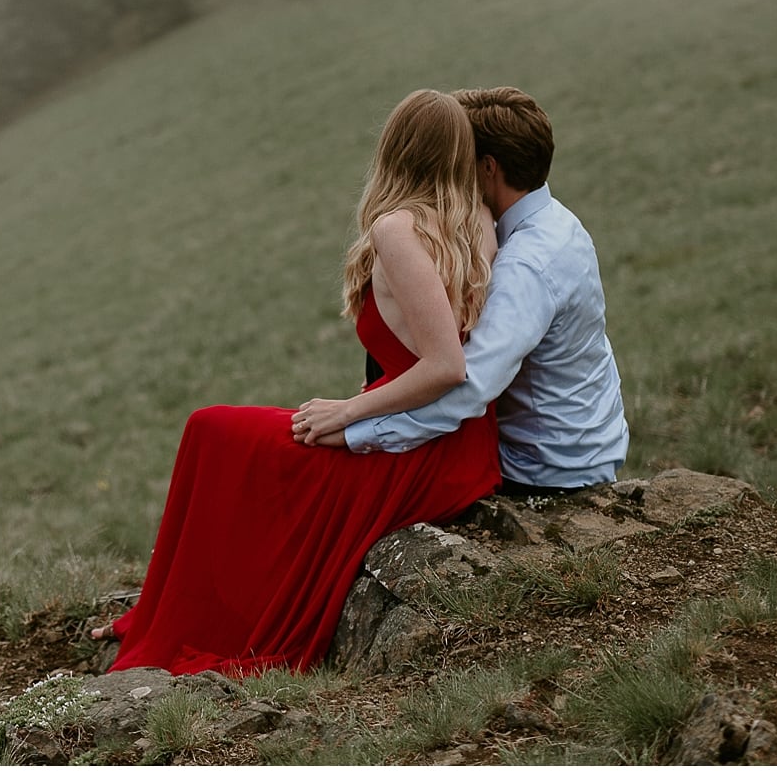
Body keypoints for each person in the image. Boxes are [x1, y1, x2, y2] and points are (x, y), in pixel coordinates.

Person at [87, 89, 504, 676]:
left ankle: (170, 622)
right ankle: (161, 613)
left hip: (421, 450)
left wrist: (346, 413)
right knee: (245, 447)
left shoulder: (398, 228)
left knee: (210, 431)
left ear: (393, 149)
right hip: (458, 444)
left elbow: (445, 366)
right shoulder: (477, 220)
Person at [328, 87, 628, 495]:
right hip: (586, 439)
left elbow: (470, 385)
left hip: (544, 467)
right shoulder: (559, 222)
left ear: (487, 167)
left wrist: (352, 428)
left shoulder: (526, 265)